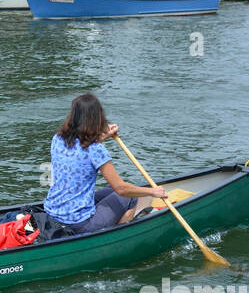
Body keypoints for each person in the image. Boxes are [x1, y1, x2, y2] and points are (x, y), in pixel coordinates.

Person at [43, 93, 167, 233]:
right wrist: (152, 192)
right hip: (80, 224)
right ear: (96, 118)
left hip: (52, 213)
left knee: (110, 190)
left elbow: (82, 149)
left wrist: (104, 135)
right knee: (130, 197)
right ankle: (116, 236)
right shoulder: (95, 149)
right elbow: (121, 189)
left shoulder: (58, 139)